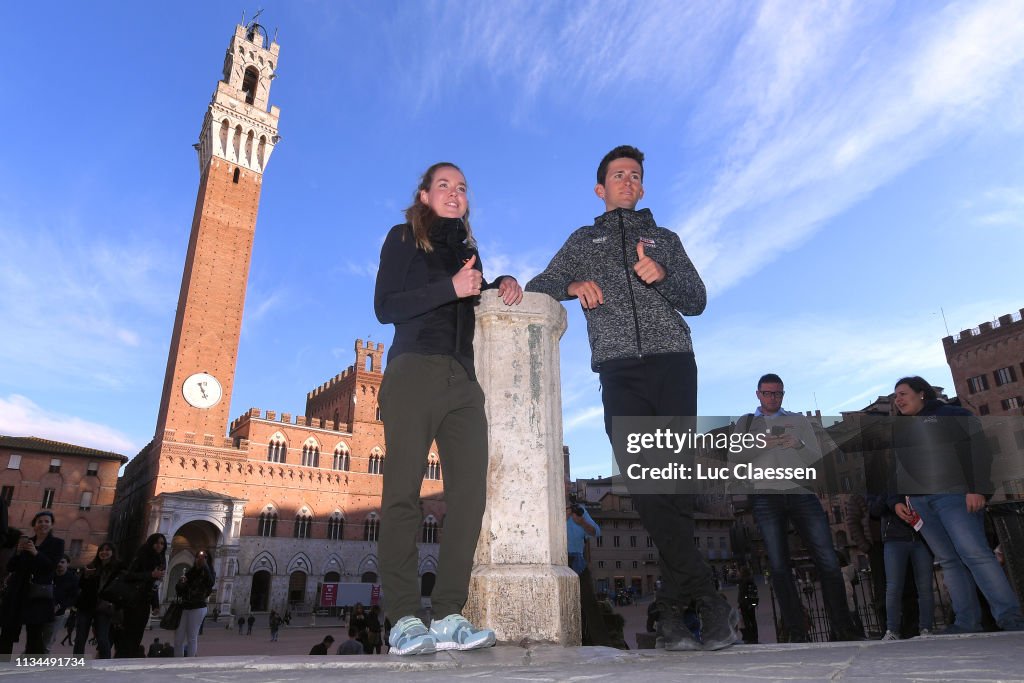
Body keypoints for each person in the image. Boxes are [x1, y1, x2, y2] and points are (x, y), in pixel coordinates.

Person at [526, 145, 735, 652]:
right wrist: (574, 284)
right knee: (644, 486)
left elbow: (698, 299)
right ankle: (707, 603)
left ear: (642, 187)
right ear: (601, 189)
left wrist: (663, 275)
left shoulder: (664, 240)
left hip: (673, 361)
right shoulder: (583, 239)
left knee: (677, 492)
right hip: (619, 368)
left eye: (635, 175)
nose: (628, 180)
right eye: (618, 175)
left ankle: (668, 619)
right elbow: (540, 285)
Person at [374, 161, 521, 655]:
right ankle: (402, 619)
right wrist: (449, 289)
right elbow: (385, 305)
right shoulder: (403, 237)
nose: (455, 193)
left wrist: (500, 281)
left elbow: (470, 294)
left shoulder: (468, 250)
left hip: (464, 380)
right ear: (423, 195)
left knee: (469, 497)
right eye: (444, 185)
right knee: (401, 497)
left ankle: (448, 615)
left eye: (461, 187)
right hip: (414, 369)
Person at [733, 374, 864, 643]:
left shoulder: (799, 421)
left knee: (827, 560)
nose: (773, 398)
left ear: (783, 394)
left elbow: (817, 458)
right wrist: (759, 445)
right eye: (768, 393)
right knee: (779, 567)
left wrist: (799, 444)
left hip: (801, 493)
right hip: (765, 496)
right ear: (758, 394)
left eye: (778, 394)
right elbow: (735, 458)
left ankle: (842, 628)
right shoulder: (745, 423)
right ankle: (796, 632)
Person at [891, 376, 1024, 633]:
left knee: (976, 555)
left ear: (922, 394)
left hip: (954, 495)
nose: (898, 400)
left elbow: (979, 450)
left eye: (903, 394)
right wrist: (896, 500)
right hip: (920, 501)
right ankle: (966, 623)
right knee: (948, 561)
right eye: (896, 396)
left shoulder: (952, 414)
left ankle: (1012, 620)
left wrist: (977, 488)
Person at [0, 510, 65, 657]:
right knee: (7, 631)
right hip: (18, 592)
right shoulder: (26, 542)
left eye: (47, 521)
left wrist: (36, 553)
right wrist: (17, 553)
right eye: (39, 521)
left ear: (51, 525)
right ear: (34, 525)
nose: (43, 524)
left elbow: (50, 567)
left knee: (34, 634)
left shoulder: (57, 543)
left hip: (38, 594)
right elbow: (11, 567)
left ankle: (32, 669)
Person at [871, 491, 934, 640]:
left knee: (925, 586)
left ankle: (926, 628)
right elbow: (874, 510)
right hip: (894, 539)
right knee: (893, 587)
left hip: (921, 537)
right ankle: (892, 630)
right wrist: (890, 498)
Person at [116, 533, 167, 658]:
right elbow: (129, 576)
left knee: (138, 635)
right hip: (132, 600)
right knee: (128, 633)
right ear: (151, 543)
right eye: (157, 542)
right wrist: (150, 574)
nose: (159, 546)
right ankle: (121, 659)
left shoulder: (160, 560)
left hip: (145, 602)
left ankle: (130, 660)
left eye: (162, 543)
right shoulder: (141, 556)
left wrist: (155, 604)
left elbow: (154, 585)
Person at [73, 542, 120, 658]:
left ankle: (105, 665)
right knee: (80, 637)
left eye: (107, 550)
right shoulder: (91, 565)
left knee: (102, 638)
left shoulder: (118, 569)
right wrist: (86, 576)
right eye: (101, 550)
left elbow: (119, 589)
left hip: (104, 607)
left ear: (113, 552)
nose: (104, 552)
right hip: (86, 606)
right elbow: (81, 586)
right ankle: (76, 664)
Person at [175, 550, 215, 656]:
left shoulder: (209, 572)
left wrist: (205, 567)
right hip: (185, 606)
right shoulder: (191, 571)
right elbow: (180, 590)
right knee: (178, 637)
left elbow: (211, 583)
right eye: (198, 556)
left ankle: (189, 663)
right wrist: (180, 584)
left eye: (204, 557)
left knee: (192, 637)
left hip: (198, 607)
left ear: (208, 559)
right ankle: (176, 662)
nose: (200, 558)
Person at [44, 554, 80, 651]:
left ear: (68, 564)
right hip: (43, 611)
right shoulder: (50, 575)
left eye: (62, 562)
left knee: (49, 640)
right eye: (58, 562)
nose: (59, 564)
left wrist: (60, 605)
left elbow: (73, 597)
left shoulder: (73, 579)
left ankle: (41, 663)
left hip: (58, 614)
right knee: (37, 638)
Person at [737, 567, 760, 644]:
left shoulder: (742, 581)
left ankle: (750, 638)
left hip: (744, 603)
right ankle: (755, 637)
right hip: (751, 603)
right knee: (753, 620)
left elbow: (742, 594)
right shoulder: (751, 580)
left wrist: (740, 603)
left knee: (746, 621)